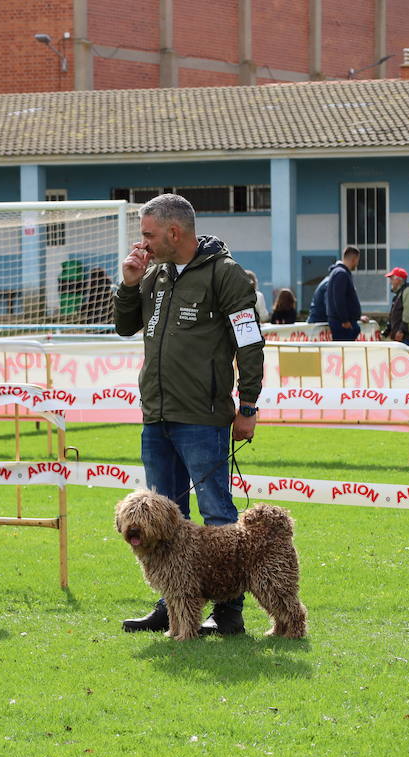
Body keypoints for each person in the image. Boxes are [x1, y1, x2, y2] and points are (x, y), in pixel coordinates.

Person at [113, 193, 264, 636]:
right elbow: (126, 326)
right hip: (156, 415)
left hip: (202, 415)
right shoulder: (154, 273)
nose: (142, 243)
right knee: (163, 517)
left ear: (174, 232)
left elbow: (249, 341)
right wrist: (128, 283)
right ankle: (172, 604)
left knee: (217, 512)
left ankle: (228, 610)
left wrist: (249, 404)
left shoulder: (225, 273)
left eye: (147, 234)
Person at [326, 245, 362, 341]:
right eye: (357, 260)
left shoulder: (339, 273)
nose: (357, 264)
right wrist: (344, 320)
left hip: (342, 322)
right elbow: (339, 299)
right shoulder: (341, 274)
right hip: (342, 324)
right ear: (354, 259)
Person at [381, 267, 409, 345]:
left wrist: (401, 331)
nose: (390, 282)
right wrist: (387, 332)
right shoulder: (400, 292)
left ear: (399, 280)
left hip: (405, 337)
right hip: (400, 337)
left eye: (392, 279)